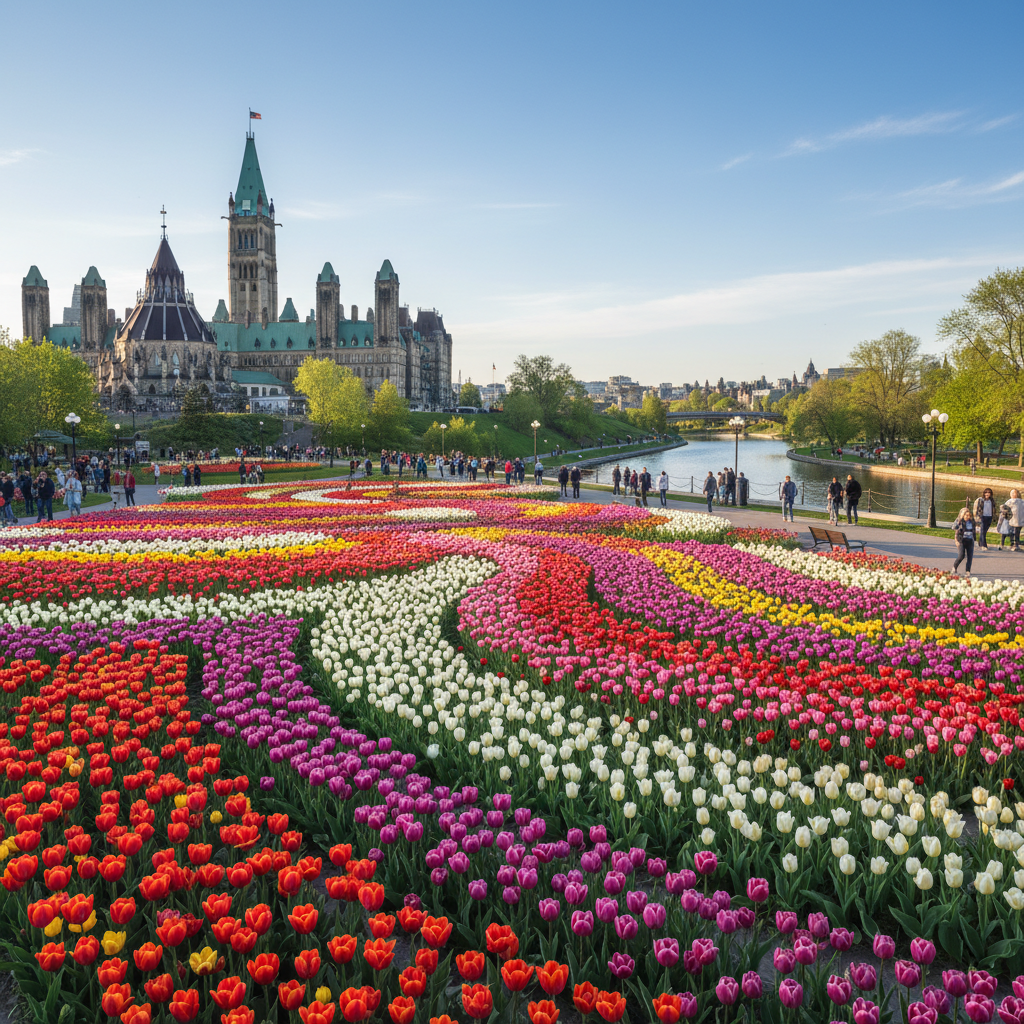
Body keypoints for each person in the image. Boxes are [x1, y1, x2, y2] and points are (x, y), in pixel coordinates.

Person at [953, 507, 977, 576]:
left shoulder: (972, 522)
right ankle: (954, 567)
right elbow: (955, 529)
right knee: (961, 555)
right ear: (963, 515)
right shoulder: (960, 522)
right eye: (966, 515)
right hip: (962, 541)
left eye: (969, 515)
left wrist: (975, 540)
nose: (968, 517)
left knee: (970, 557)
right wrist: (956, 540)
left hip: (970, 541)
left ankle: (968, 571)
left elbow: (974, 531)